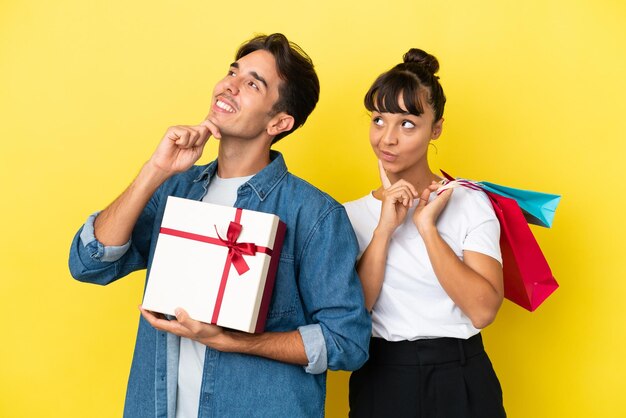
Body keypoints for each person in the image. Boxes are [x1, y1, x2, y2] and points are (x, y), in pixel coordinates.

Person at [68, 33, 371, 418]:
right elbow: (89, 264)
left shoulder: (314, 214)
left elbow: (348, 341)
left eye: (251, 83)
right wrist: (155, 170)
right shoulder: (175, 189)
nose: (228, 85)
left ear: (279, 121)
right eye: (232, 72)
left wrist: (236, 341)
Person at [344, 49, 506, 418]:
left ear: (436, 128)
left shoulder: (469, 201)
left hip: (461, 374)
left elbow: (482, 310)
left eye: (407, 124)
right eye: (378, 120)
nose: (387, 138)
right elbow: (355, 312)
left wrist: (427, 229)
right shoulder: (349, 215)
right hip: (382, 376)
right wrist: (385, 230)